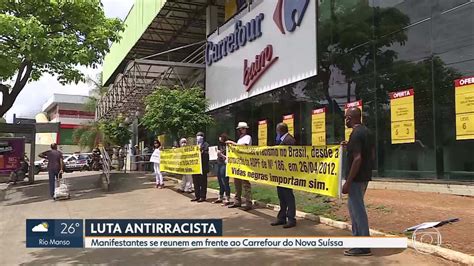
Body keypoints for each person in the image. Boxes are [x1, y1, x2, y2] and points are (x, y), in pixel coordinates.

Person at [342, 107, 375, 256]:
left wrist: (348, 182)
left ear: (350, 118)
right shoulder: (366, 131)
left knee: (357, 212)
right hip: (364, 177)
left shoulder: (356, 134)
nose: (345, 121)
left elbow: (357, 158)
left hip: (356, 179)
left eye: (346, 118)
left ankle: (363, 246)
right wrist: (347, 145)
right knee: (355, 209)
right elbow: (370, 153)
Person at [271, 123, 297, 228]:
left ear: (280, 130)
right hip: (280, 171)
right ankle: (281, 218)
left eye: (277, 130)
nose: (276, 132)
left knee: (288, 195)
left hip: (287, 172)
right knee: (281, 195)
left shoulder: (290, 140)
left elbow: (291, 156)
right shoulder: (281, 140)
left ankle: (291, 219)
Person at [226, 122, 252, 211]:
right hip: (237, 163)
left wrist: (232, 143)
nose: (239, 131)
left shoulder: (247, 137)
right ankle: (237, 201)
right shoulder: (240, 139)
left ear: (244, 129)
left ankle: (248, 202)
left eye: (240, 129)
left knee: (245, 184)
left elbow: (244, 146)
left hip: (244, 163)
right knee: (237, 183)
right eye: (239, 129)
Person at [191, 132, 210, 203]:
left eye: (200, 136)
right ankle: (197, 196)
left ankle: (203, 196)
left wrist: (202, 152)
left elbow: (207, 154)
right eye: (197, 136)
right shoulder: (194, 145)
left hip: (203, 167)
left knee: (203, 182)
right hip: (195, 167)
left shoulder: (206, 145)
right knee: (196, 182)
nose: (199, 137)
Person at [213, 133, 231, 205]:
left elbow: (228, 157)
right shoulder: (219, 145)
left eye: (221, 137)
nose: (219, 138)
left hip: (225, 164)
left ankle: (227, 197)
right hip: (219, 163)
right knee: (220, 180)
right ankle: (220, 196)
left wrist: (221, 155)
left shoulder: (228, 146)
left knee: (224, 180)